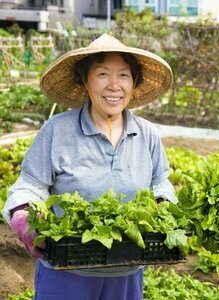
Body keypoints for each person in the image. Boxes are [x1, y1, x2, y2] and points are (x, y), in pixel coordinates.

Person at [2, 33, 176, 300]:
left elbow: (160, 182)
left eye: (124, 75)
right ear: (85, 80)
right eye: (103, 74)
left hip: (126, 271)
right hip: (67, 271)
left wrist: (163, 204)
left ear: (134, 82)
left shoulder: (147, 134)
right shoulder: (57, 130)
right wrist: (24, 217)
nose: (114, 85)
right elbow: (29, 186)